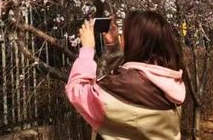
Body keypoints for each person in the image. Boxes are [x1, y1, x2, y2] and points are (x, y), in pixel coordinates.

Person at [65, 10, 185, 140]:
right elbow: (130, 74)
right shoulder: (170, 79)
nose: (121, 37)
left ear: (136, 41)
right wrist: (114, 47)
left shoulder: (126, 88)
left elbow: (77, 91)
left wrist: (87, 50)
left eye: (125, 35)